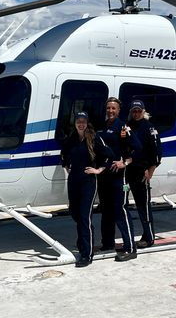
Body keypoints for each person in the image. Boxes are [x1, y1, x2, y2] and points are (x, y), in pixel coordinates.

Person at [61, 111, 113, 267]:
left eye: (83, 121)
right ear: (75, 123)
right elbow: (63, 154)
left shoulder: (94, 138)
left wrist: (98, 170)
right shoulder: (71, 139)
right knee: (75, 212)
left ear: (87, 122)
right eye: (78, 121)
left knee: (84, 217)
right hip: (74, 180)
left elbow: (109, 155)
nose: (81, 123)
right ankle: (85, 235)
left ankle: (86, 254)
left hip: (88, 181)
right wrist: (66, 167)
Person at [96, 97, 143, 261]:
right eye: (108, 108)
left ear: (119, 110)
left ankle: (130, 248)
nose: (110, 111)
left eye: (113, 108)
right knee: (106, 212)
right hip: (104, 176)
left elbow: (138, 148)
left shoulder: (123, 127)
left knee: (121, 211)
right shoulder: (101, 127)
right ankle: (108, 244)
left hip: (119, 178)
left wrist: (125, 162)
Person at [125, 99, 163, 248]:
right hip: (128, 172)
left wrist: (151, 172)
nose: (136, 113)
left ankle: (149, 237)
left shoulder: (149, 128)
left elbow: (157, 153)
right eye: (134, 111)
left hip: (142, 173)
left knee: (143, 206)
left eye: (138, 111)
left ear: (143, 112)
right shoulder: (127, 126)